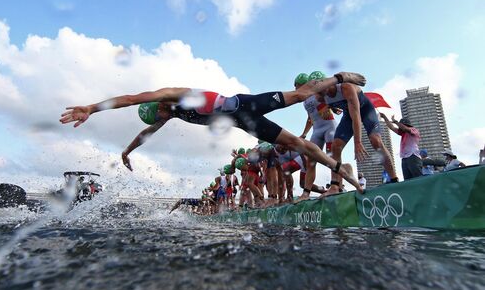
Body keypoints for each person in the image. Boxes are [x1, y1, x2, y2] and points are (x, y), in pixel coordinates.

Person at [60, 72, 368, 190]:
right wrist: (128, 150)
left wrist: (91, 107)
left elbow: (130, 99)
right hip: (245, 123)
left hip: (247, 103)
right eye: (162, 115)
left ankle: (340, 77)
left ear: (161, 106)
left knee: (300, 95)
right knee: (298, 144)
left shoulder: (172, 94)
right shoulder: (168, 116)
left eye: (162, 112)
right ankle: (350, 178)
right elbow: (147, 133)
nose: (164, 115)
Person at [317, 79, 398, 196]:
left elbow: (356, 117)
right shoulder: (320, 96)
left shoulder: (346, 88)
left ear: (330, 84)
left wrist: (357, 142)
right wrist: (333, 108)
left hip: (365, 111)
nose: (325, 95)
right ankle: (334, 186)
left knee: (376, 141)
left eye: (326, 90)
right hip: (348, 115)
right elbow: (328, 103)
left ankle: (394, 178)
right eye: (320, 92)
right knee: (335, 146)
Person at [296, 71, 338, 201]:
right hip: (317, 130)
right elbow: (310, 117)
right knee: (311, 162)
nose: (295, 89)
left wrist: (333, 107)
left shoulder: (317, 92)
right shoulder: (304, 100)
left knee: (331, 158)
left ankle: (335, 186)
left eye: (296, 86)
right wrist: (304, 133)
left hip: (329, 127)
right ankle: (306, 193)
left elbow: (328, 101)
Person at [380, 114, 422, 180]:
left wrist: (395, 122)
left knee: (418, 178)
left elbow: (405, 128)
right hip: (404, 158)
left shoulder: (414, 130)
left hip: (413, 156)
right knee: (408, 180)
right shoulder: (403, 133)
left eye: (401, 125)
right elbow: (391, 127)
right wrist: (384, 117)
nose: (400, 128)